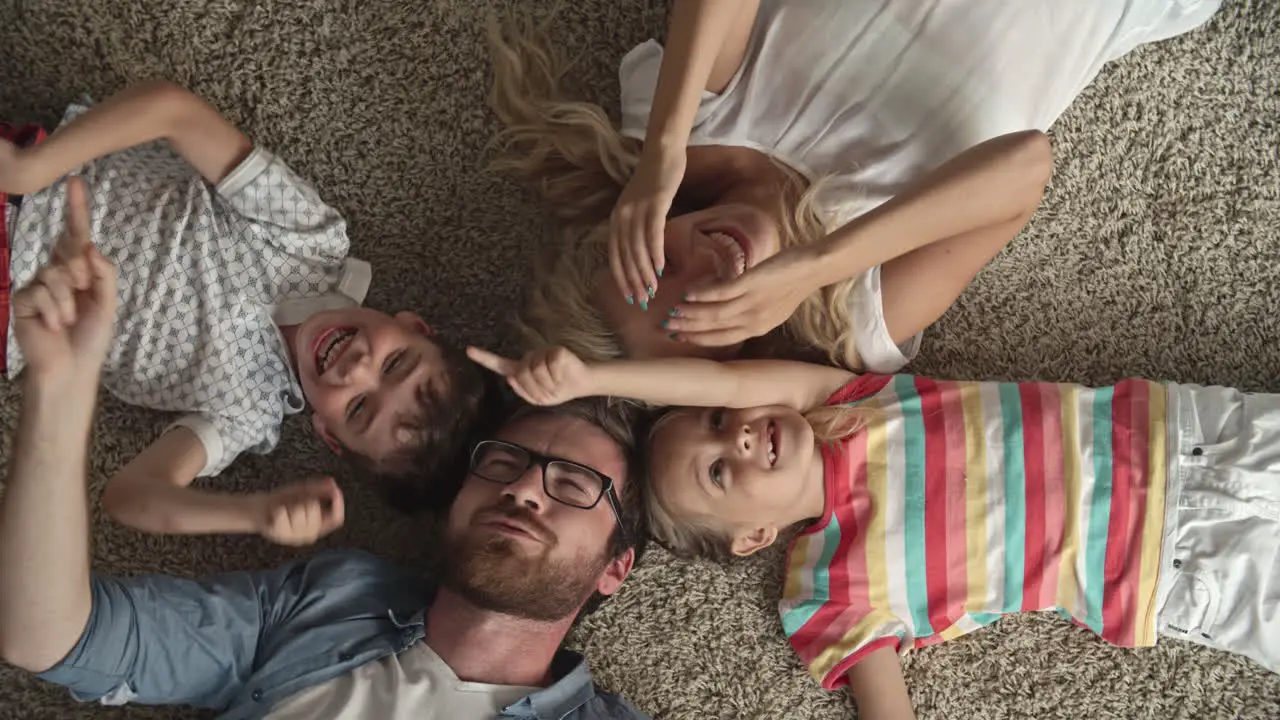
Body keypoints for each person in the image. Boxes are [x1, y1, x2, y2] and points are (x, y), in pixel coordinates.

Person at [0, 198, 651, 719]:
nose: (526, 491)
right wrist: (61, 387)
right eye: (503, 464)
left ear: (614, 568)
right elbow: (52, 637)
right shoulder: (334, 599)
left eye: (574, 484)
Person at [466, 344, 1279, 720]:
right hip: (1178, 568)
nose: (740, 435)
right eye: (721, 470)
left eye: (720, 423)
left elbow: (726, 376)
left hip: (1191, 435)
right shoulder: (827, 591)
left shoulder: (855, 403)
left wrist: (596, 377)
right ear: (752, 535)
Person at [487, 0, 1220, 371]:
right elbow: (1025, 164)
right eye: (699, 316)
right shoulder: (862, 311)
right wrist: (819, 263)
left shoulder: (680, 129)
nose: (710, 268)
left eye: (658, 271)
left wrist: (665, 148)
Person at [0, 80, 502, 545]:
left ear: (329, 434)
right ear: (412, 325)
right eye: (395, 363)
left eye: (359, 409)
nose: (357, 368)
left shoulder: (246, 416)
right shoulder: (313, 238)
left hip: (16, 311)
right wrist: (33, 167)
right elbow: (172, 111)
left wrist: (254, 515)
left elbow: (130, 494)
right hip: (37, 175)